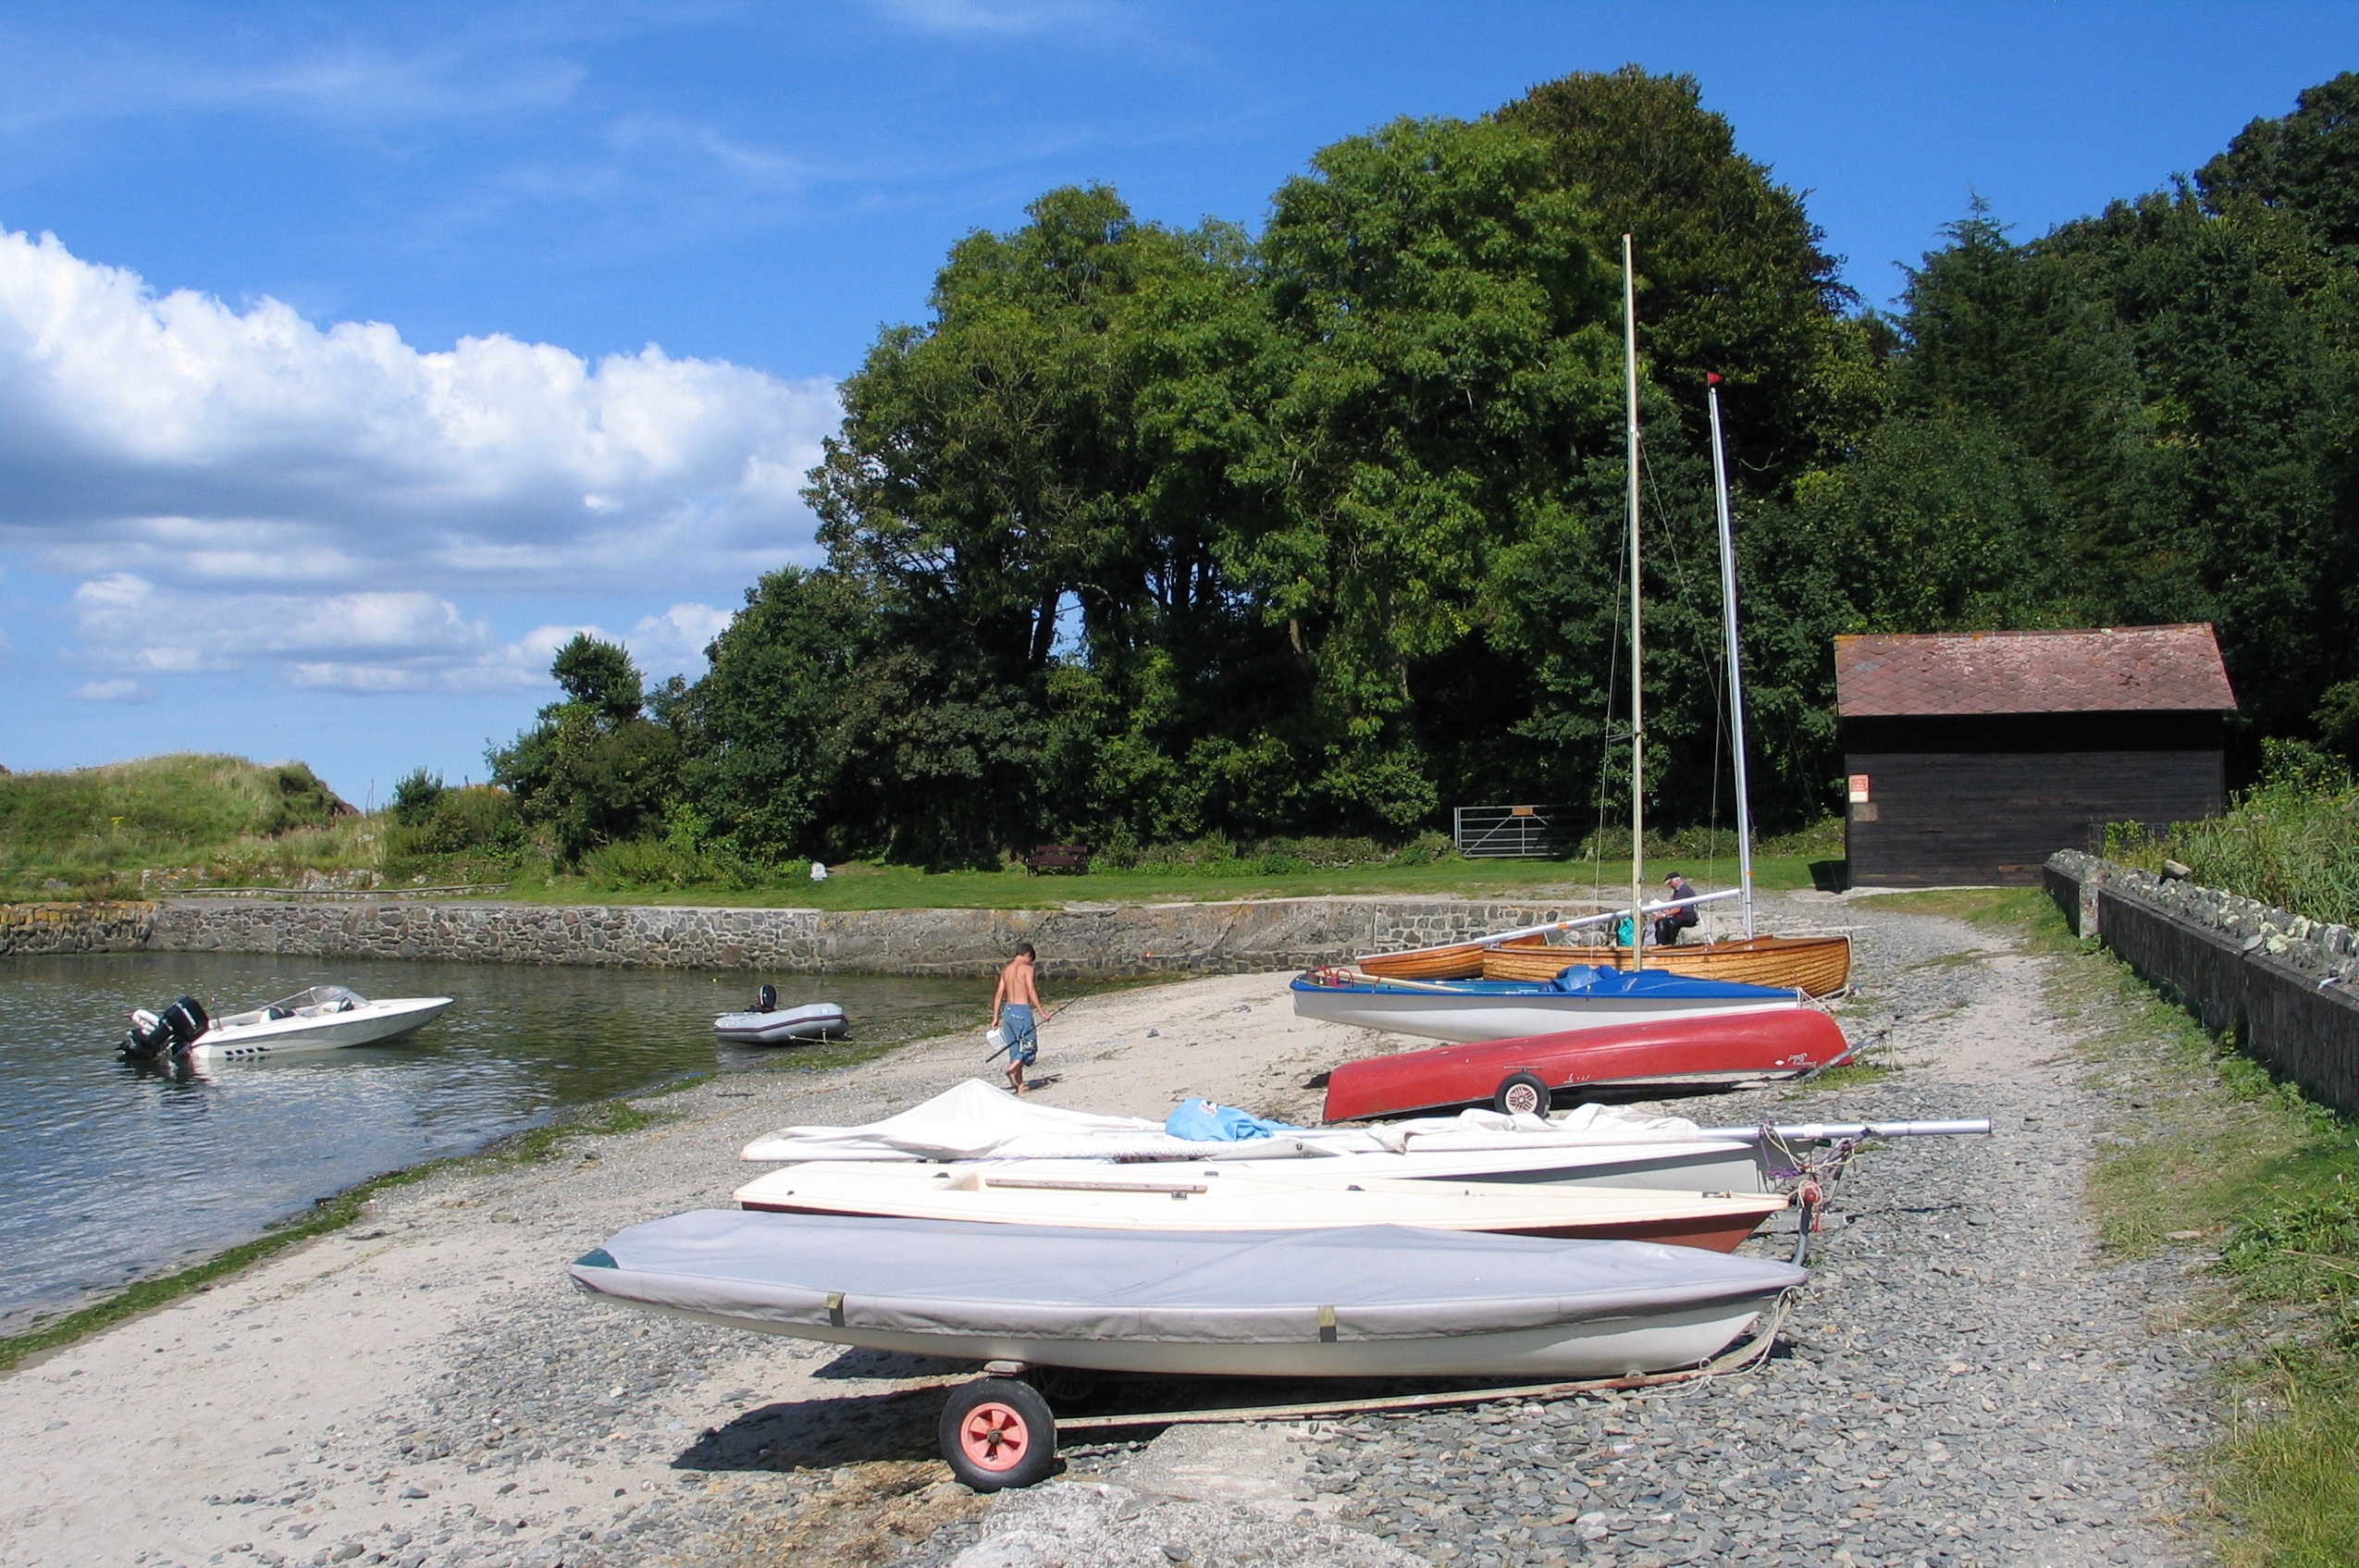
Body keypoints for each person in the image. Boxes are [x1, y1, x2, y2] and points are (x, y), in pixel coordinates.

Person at [992, 942, 1044, 1093]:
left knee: (1014, 1048)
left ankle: (1019, 1085)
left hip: (1007, 1011)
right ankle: (1012, 1068)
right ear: (1028, 955)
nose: (1030, 962)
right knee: (1029, 1046)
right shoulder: (1027, 969)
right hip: (1021, 1011)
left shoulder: (1006, 970)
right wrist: (1041, 1011)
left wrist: (995, 1017)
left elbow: (998, 995)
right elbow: (1031, 991)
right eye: (1031, 959)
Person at [1651, 872, 1701, 947]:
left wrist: (1664, 915)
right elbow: (1673, 906)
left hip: (1689, 915)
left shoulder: (1683, 890)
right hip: (1681, 915)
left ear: (1676, 881)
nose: (1670, 886)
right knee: (1662, 922)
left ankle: (1668, 943)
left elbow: (1677, 908)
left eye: (1670, 883)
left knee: (1670, 922)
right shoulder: (1678, 891)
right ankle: (1662, 943)